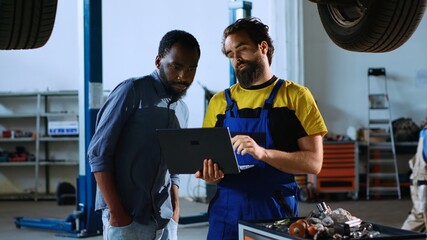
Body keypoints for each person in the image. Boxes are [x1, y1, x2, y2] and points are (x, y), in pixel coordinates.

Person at [195, 17, 328, 240]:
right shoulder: (219, 103)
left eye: (242, 49)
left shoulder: (296, 97)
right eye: (230, 54)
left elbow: (314, 163)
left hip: (274, 213)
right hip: (225, 213)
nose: (236, 59)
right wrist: (210, 174)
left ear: (262, 47)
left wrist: (262, 153)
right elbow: (207, 161)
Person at [88, 30, 201, 240]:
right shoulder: (132, 91)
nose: (183, 76)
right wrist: (116, 212)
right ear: (158, 61)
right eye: (176, 66)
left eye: (191, 68)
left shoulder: (182, 110)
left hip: (165, 219)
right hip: (127, 218)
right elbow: (98, 154)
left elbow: (174, 166)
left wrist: (175, 209)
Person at [402, 126, 427, 232]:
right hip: (423, 184)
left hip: (420, 181)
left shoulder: (424, 131)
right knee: (419, 216)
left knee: (418, 216)